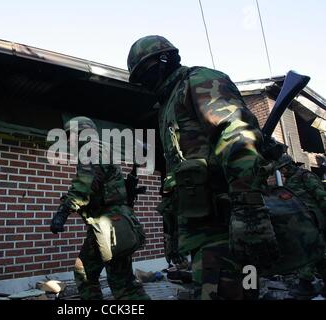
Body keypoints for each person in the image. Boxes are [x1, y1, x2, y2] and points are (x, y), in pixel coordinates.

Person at [127, 35, 279, 300]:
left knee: (234, 288)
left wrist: (248, 208)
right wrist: (174, 233)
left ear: (165, 59)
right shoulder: (167, 104)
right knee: (233, 288)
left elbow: (236, 136)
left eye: (145, 71)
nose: (144, 81)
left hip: (227, 220)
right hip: (201, 226)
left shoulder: (198, 81)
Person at [50, 116, 150, 300]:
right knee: (84, 270)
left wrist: (63, 212)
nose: (68, 140)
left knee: (122, 284)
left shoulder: (91, 149)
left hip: (112, 226)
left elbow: (85, 185)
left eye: (70, 135)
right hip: (103, 225)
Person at [274, 155, 326, 297]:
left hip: (316, 220)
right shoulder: (290, 181)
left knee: (315, 250)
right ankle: (307, 284)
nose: (282, 172)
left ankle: (305, 283)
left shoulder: (305, 176)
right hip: (303, 223)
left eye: (282, 169)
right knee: (314, 251)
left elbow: (321, 196)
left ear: (288, 165)